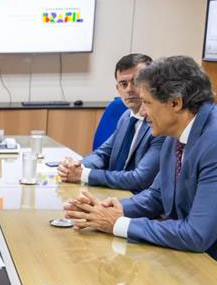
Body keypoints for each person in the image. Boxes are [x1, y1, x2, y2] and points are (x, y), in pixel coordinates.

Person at [63, 56, 217, 281]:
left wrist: (118, 223)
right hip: (199, 263)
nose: (142, 113)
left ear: (175, 103)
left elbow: (196, 234)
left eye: (147, 103)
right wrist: (112, 209)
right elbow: (158, 195)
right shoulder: (176, 131)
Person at [58, 53, 164, 192]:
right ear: (117, 89)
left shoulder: (161, 125)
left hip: (137, 199)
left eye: (136, 82)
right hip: (113, 192)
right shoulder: (126, 117)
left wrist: (83, 174)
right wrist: (76, 166)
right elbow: (103, 154)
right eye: (123, 84)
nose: (129, 89)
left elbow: (140, 179)